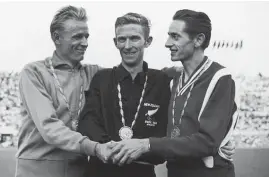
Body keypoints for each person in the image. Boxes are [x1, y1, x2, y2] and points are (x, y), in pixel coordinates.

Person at [109, 9, 238, 177]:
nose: (167, 43)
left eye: (175, 37)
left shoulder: (220, 79)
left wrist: (148, 144)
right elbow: (129, 76)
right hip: (175, 171)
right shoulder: (171, 77)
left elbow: (208, 142)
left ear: (198, 40)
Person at [15, 5, 112, 177]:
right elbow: (49, 127)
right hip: (37, 170)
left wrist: (170, 73)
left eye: (86, 36)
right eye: (77, 37)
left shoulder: (94, 73)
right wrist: (94, 148)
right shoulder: (34, 72)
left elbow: (129, 77)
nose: (85, 43)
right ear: (57, 37)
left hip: (79, 168)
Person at [77, 12, 171, 177]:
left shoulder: (161, 81)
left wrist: (140, 148)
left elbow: (164, 133)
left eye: (134, 38)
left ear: (147, 41)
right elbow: (87, 122)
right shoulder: (102, 78)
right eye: (122, 39)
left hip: (142, 171)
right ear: (115, 42)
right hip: (100, 170)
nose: (127, 46)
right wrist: (111, 148)